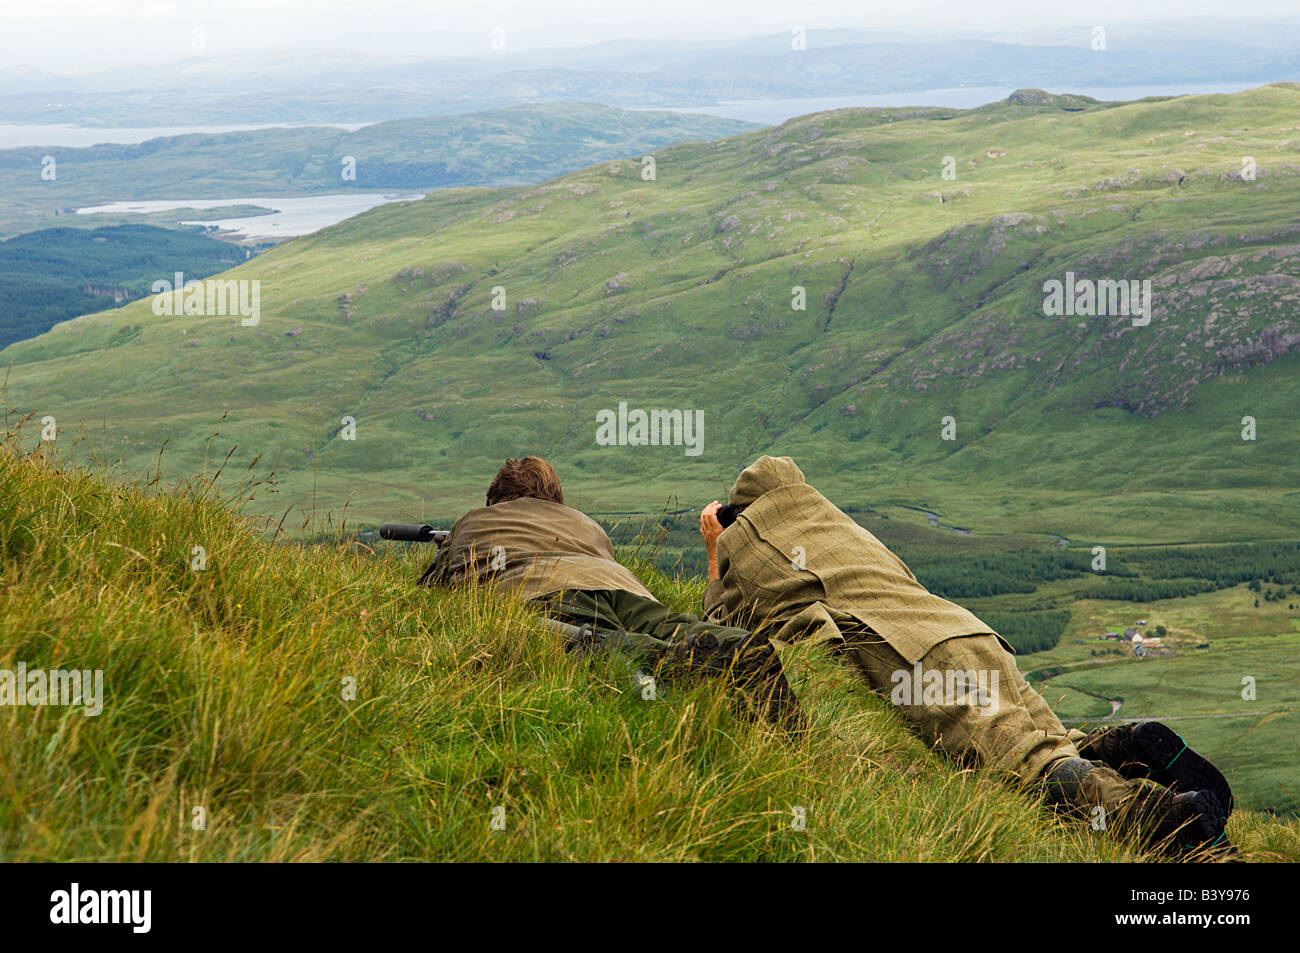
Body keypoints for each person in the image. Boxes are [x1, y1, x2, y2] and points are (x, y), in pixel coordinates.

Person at [697, 454, 1233, 856]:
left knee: (1020, 764)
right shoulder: (841, 525)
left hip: (917, 656)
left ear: (740, 508)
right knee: (1045, 741)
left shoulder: (748, 539)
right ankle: (1125, 745)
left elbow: (720, 627)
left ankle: (1160, 822)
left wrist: (715, 549)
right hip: (969, 632)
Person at [419, 456, 787, 709]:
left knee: (600, 642)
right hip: (622, 590)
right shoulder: (586, 523)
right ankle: (741, 648)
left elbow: (434, 592)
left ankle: (676, 660)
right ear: (556, 500)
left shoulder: (475, 520)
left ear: (493, 500)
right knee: (679, 627)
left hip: (542, 593)